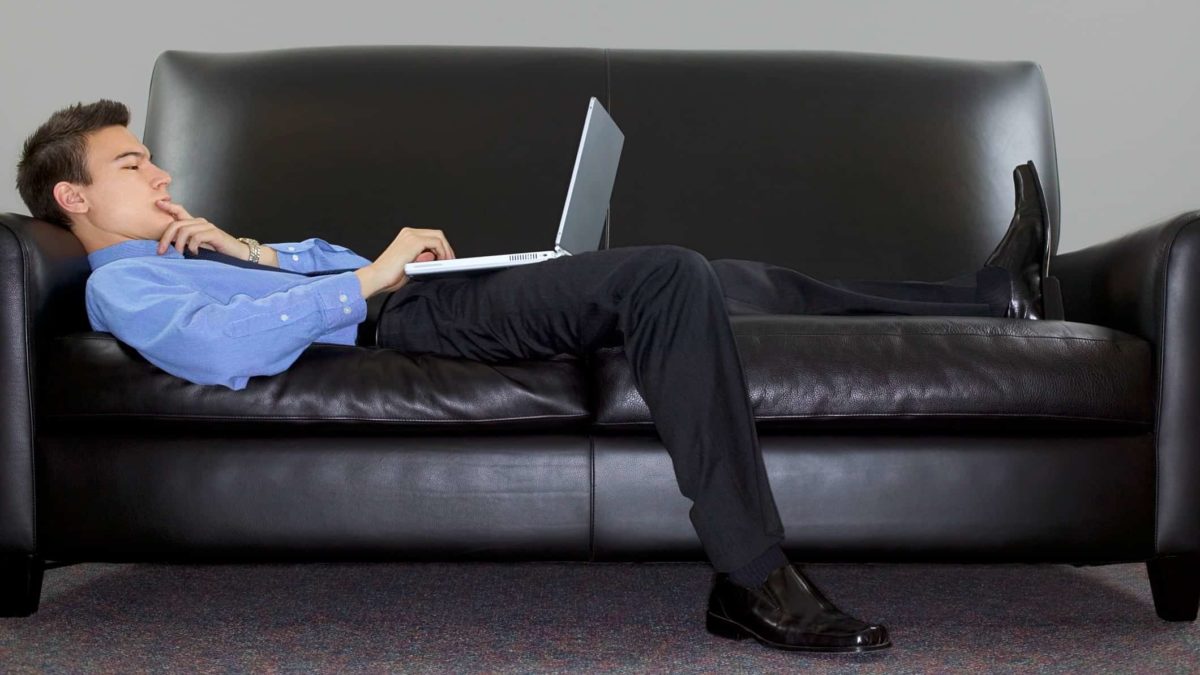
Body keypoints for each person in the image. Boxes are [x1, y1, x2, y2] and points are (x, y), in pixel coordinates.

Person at [16, 99, 1051, 654]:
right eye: (132, 166)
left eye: (152, 159)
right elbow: (215, 353)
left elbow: (304, 277)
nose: (158, 176)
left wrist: (254, 251)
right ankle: (752, 579)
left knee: (717, 280)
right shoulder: (124, 288)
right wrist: (373, 277)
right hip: (409, 322)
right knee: (667, 273)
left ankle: (990, 299)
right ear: (74, 198)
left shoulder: (194, 251)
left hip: (417, 294)